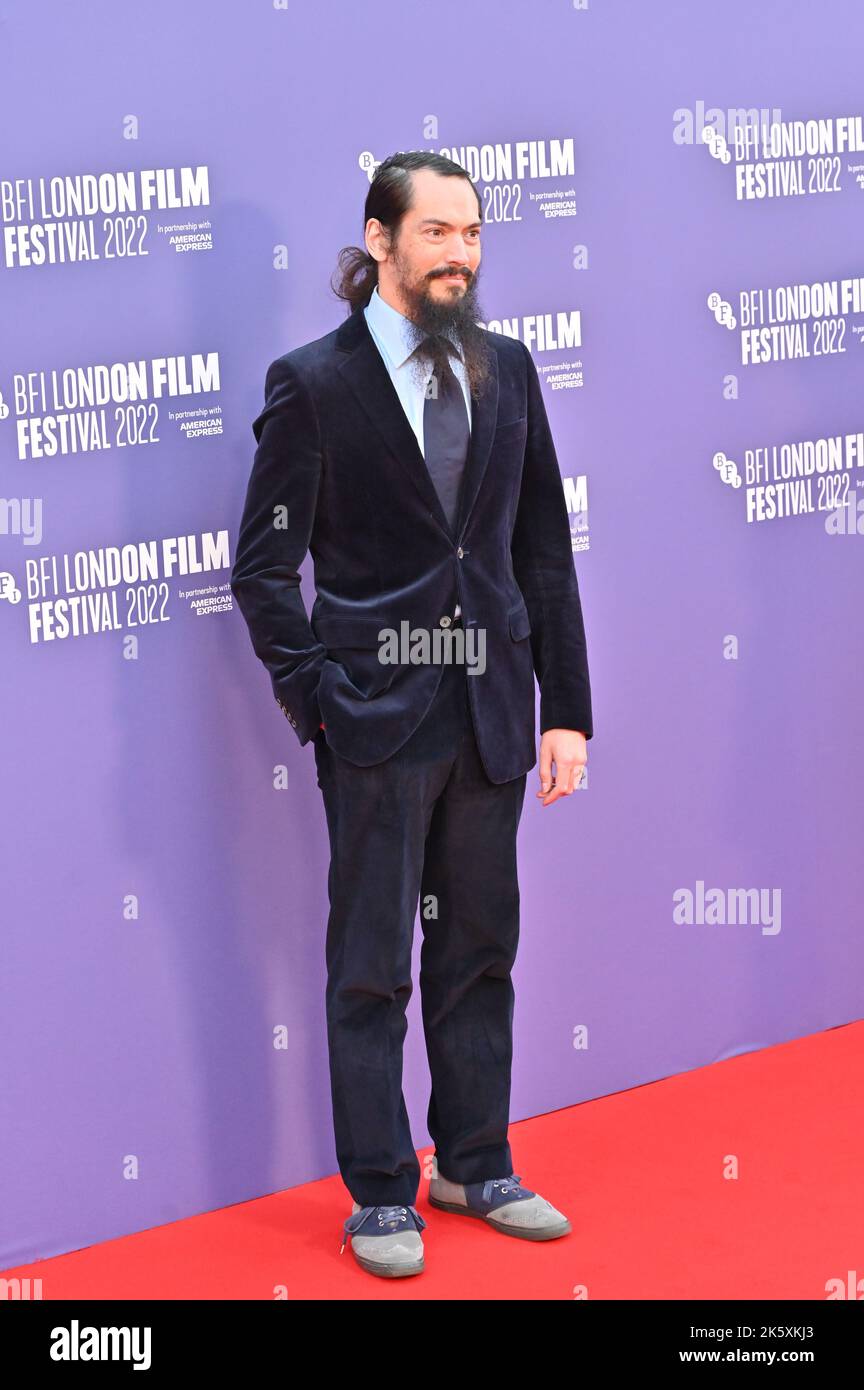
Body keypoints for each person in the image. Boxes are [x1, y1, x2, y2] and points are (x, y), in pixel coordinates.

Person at [230, 150, 593, 1279]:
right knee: (373, 963)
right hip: (375, 719)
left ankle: (475, 1159)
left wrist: (567, 709)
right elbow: (261, 566)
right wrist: (317, 699)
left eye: (473, 234)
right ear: (380, 241)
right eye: (438, 233)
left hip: (491, 707)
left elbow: (541, 549)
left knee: (481, 949)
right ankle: (382, 1190)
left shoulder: (510, 369)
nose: (461, 255)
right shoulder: (315, 383)